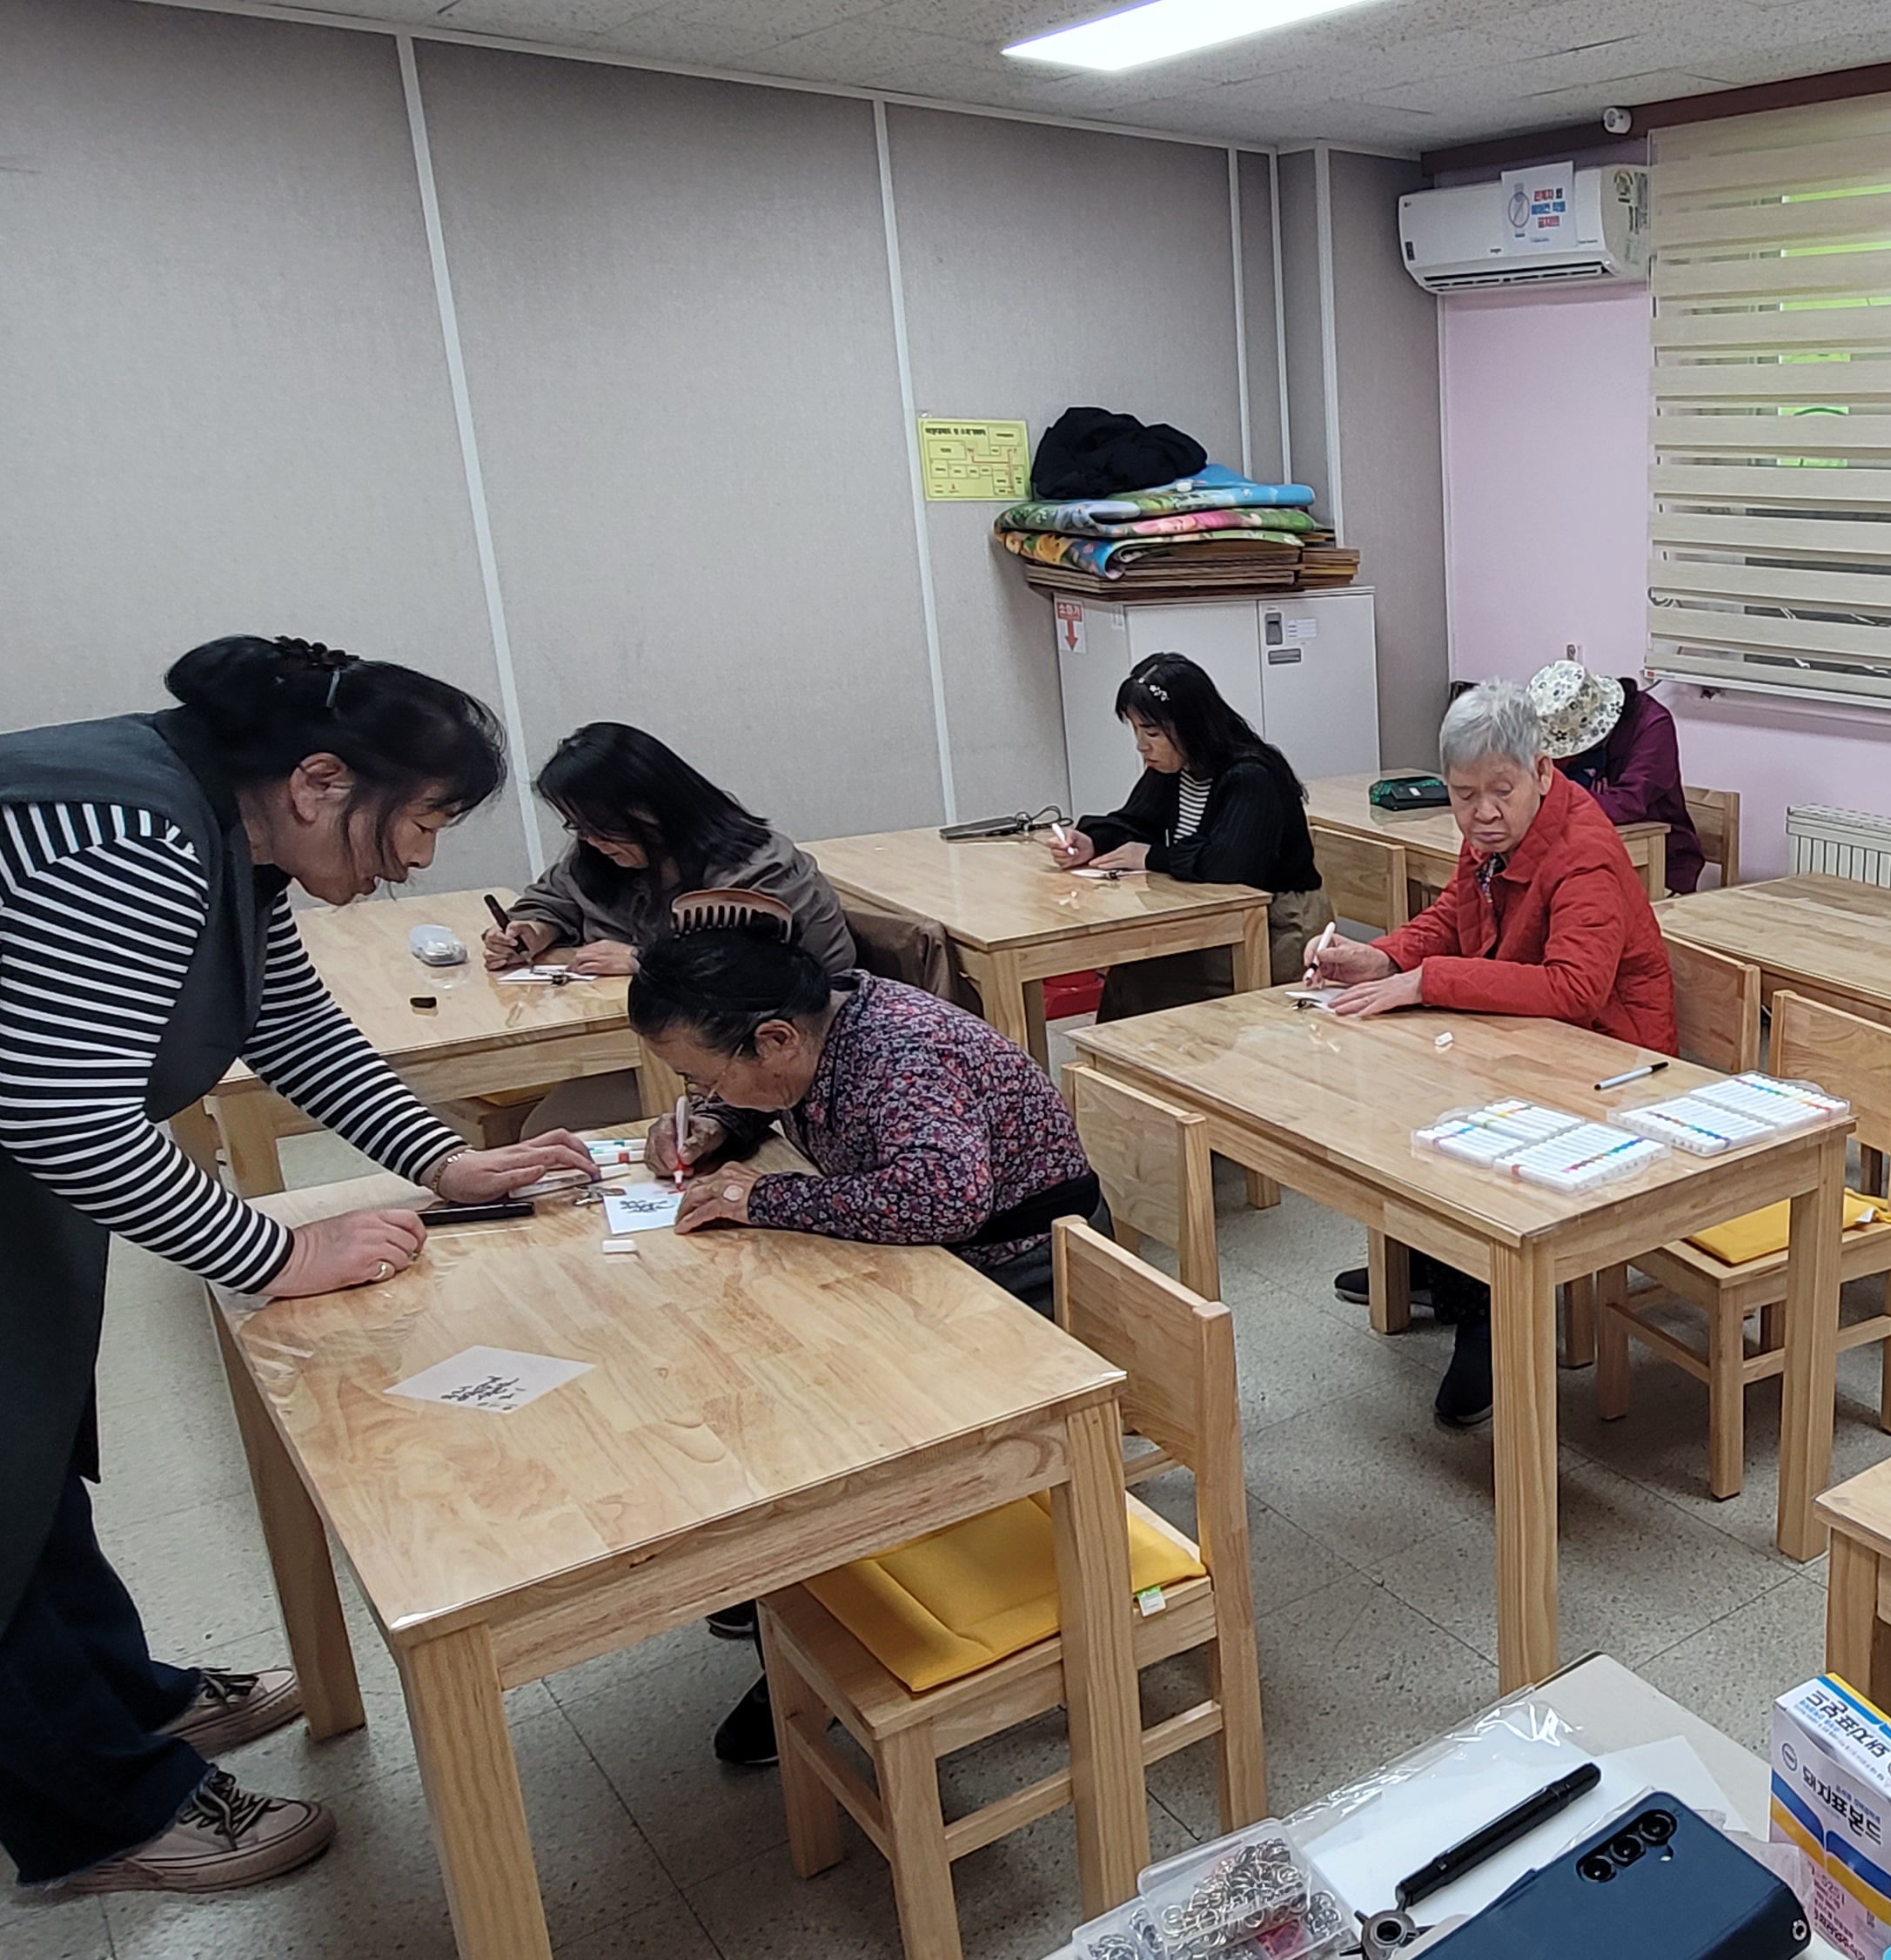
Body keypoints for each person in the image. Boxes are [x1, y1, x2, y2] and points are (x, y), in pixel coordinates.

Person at [0, 637, 594, 1896]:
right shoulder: (131, 836)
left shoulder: (233, 835)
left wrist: (443, 1162)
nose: (419, 860)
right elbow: (65, 1116)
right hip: (25, 1151)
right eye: (424, 821)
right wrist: (277, 1251)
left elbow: (290, 1024)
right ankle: (99, 1817)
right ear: (323, 780)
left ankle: (126, 1698)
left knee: (31, 1458)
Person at [624, 898, 1103, 1766]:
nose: (699, 1093)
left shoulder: (902, 1052)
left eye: (705, 1078)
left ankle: (823, 1621)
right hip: (939, 1258)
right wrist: (723, 1124)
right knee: (756, 1347)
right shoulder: (815, 1023)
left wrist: (765, 1196)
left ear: (775, 1038)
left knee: (818, 1406)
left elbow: (942, 1198)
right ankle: (786, 1579)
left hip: (1022, 1272)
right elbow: (786, 1101)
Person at [1308, 681, 1677, 1426]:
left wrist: (1428, 981)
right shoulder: (1491, 839)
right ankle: (1440, 1264)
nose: (1482, 813)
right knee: (1409, 1083)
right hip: (1525, 1038)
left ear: (1541, 771)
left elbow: (1574, 989)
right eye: (1464, 795)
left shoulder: (1585, 852)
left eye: (1500, 792)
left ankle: (1487, 1315)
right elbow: (1454, 915)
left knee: (1472, 1119)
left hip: (1610, 1065)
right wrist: (1383, 957)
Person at [1046, 652, 1331, 1017]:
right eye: (1135, 731)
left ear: (1192, 727)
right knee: (1131, 972)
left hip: (1276, 926)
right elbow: (1134, 822)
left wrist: (1150, 856)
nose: (1141, 745)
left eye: (1152, 733)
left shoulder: (1250, 776)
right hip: (1216, 916)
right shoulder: (1174, 767)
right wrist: (1093, 843)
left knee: (1141, 979)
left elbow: (1230, 865)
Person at [480, 722, 855, 978]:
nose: (590, 841)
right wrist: (534, 930)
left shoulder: (759, 869)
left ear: (651, 810)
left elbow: (769, 972)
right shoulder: (602, 857)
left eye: (601, 827)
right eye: (578, 827)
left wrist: (642, 961)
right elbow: (555, 898)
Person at [1529, 658, 1702, 894]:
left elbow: (1627, 803)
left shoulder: (1652, 725)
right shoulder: (1554, 726)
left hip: (1658, 863)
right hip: (1578, 853)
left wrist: (1550, 798)